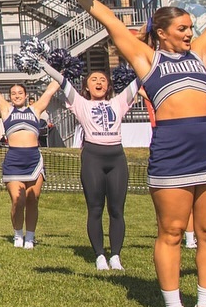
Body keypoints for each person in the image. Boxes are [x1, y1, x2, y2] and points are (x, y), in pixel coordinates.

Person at [76, 0, 206, 307]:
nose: (190, 34)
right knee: (171, 230)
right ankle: (174, 306)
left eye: (190, 28)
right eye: (182, 29)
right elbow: (110, 21)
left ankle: (205, 305)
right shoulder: (147, 59)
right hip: (171, 151)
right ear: (162, 33)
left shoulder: (200, 54)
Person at [41, 64, 140, 271]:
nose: (99, 83)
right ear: (86, 86)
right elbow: (62, 81)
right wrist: (44, 62)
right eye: (94, 79)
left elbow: (142, 76)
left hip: (116, 158)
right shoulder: (80, 103)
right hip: (93, 157)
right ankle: (99, 255)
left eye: (103, 80)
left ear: (109, 86)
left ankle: (115, 255)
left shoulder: (118, 102)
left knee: (117, 210)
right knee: (95, 208)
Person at [0, 74, 58, 250]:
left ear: (26, 94)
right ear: (10, 96)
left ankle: (30, 236)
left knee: (32, 199)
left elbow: (51, 90)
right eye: (13, 93)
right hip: (14, 160)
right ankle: (17, 233)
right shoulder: (6, 110)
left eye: (20, 92)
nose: (16, 95)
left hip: (34, 160)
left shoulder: (35, 110)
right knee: (17, 200)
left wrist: (62, 68)